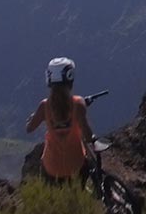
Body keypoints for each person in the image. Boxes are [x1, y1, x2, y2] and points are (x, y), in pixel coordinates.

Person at [26, 56, 95, 184]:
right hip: (76, 167)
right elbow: (89, 136)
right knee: (89, 164)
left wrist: (36, 118)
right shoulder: (78, 103)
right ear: (70, 78)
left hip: (52, 169)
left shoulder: (44, 106)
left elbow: (29, 129)